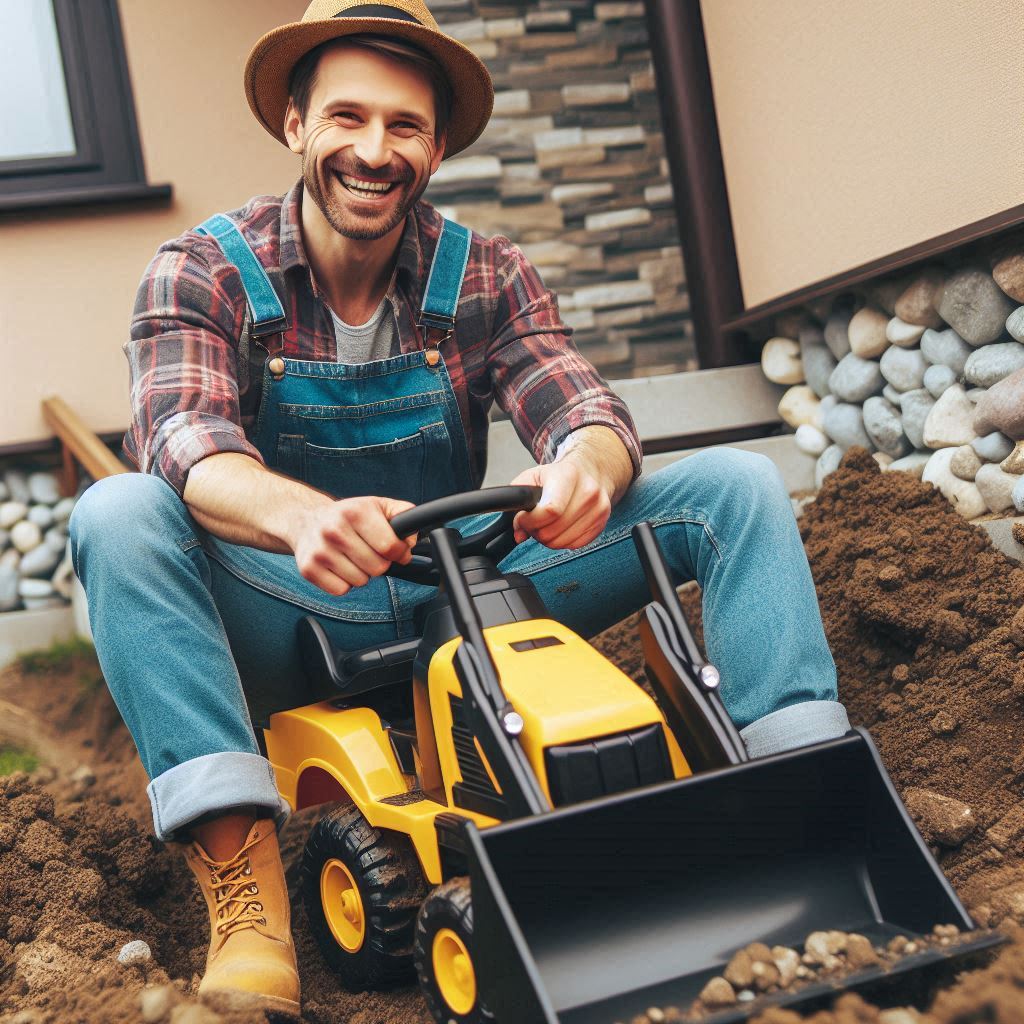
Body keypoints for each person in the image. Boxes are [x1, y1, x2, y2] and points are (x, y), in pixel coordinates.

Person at [69, 0, 850, 1014]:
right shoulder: (206, 268)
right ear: (293, 125)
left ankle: (815, 807)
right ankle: (247, 898)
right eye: (346, 118)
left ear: (436, 145)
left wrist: (587, 467)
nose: (373, 149)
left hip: (474, 593)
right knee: (118, 514)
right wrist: (300, 514)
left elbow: (582, 404)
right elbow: (183, 440)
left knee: (735, 486)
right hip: (298, 608)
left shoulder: (486, 271)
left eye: (403, 126)